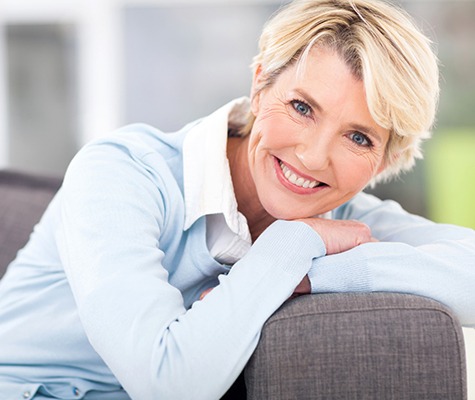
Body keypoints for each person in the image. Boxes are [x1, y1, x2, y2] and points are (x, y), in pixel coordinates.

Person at [0, 0, 474, 398]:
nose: (312, 156)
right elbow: (168, 383)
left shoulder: (339, 224)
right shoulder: (123, 170)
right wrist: (288, 246)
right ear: (259, 83)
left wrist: (312, 272)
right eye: (302, 108)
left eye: (358, 138)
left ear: (386, 163)